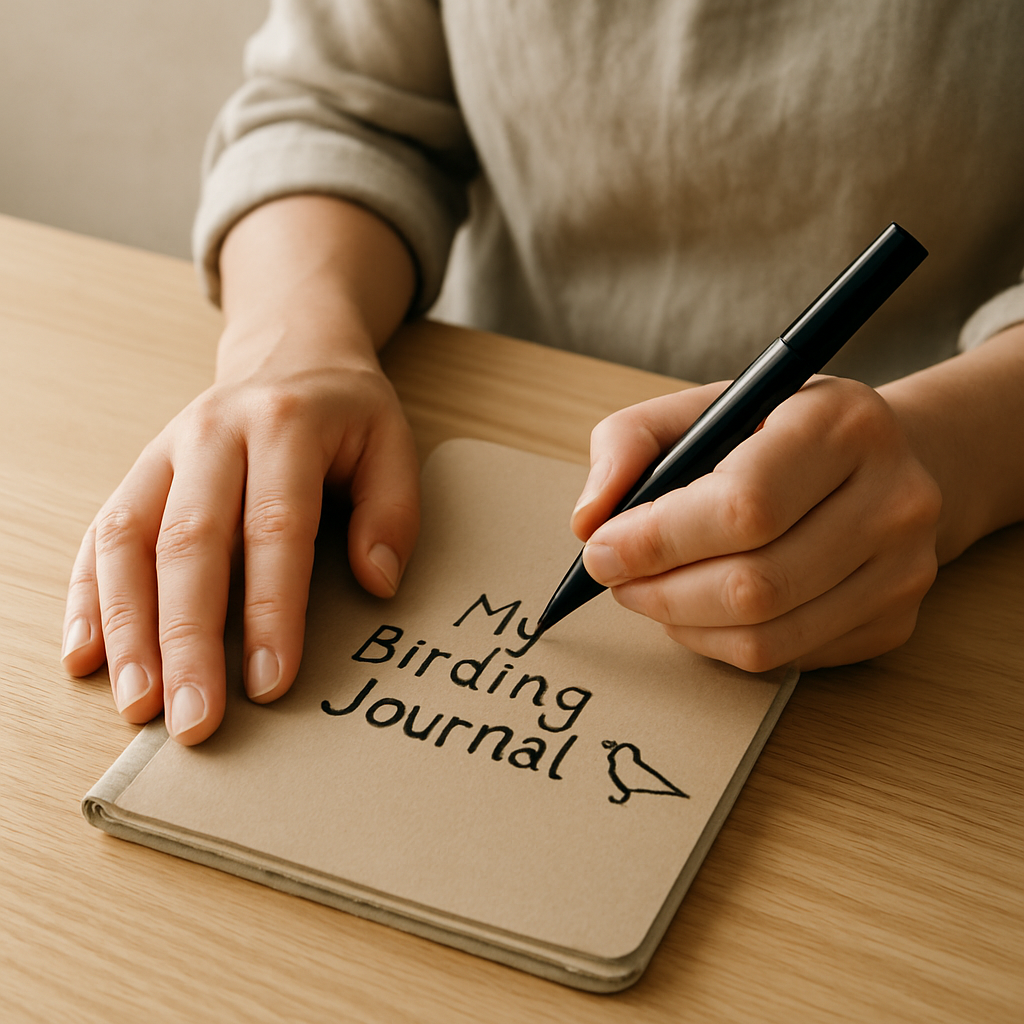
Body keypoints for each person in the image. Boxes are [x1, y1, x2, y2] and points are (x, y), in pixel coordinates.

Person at [61, 2, 1024, 745]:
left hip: (947, 575)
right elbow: (337, 108)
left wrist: (954, 451)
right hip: (485, 424)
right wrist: (294, 351)